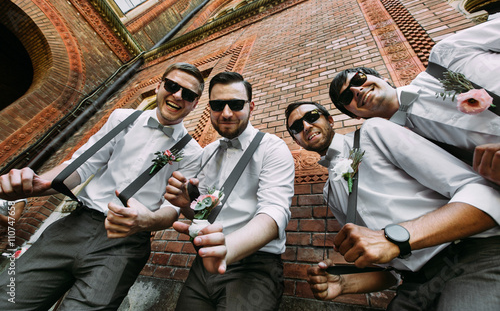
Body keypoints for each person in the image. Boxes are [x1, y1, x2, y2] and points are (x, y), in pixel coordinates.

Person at [0, 62, 204, 310]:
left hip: (125, 246)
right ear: (160, 86)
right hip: (75, 226)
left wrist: (147, 221)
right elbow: (83, 163)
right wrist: (44, 183)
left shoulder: (193, 152)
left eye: (189, 94)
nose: (178, 95)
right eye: (172, 86)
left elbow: (173, 208)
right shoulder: (122, 117)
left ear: (195, 103)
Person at [285, 101, 500, 310]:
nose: (305, 126)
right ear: (297, 141)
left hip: (469, 256)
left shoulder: (374, 132)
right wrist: (344, 284)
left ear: (330, 120)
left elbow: (482, 192)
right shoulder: (329, 192)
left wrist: (396, 238)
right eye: (296, 127)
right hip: (414, 285)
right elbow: (390, 271)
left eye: (312, 117)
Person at [165, 72, 295, 310]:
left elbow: (275, 213)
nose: (226, 113)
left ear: (251, 107)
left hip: (255, 268)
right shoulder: (208, 152)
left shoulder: (272, 147)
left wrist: (228, 249)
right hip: (203, 265)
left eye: (235, 104)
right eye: (217, 105)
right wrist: (186, 204)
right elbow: (200, 214)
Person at [329, 18, 500, 185]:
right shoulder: (412, 151)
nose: (356, 90)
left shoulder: (447, 54)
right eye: (346, 97)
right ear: (354, 115)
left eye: (358, 79)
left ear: (383, 78)